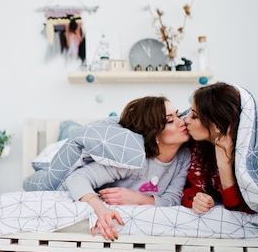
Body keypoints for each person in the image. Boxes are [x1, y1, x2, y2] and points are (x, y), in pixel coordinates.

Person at [61, 96, 191, 240]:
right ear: (154, 133)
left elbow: (173, 199)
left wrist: (137, 198)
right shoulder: (133, 158)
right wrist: (100, 208)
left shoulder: (184, 156)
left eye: (179, 115)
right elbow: (76, 178)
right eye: (170, 121)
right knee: (69, 131)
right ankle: (67, 127)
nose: (182, 122)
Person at [182, 82, 254, 214]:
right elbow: (189, 189)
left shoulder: (246, 152)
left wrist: (224, 167)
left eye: (195, 116)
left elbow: (240, 209)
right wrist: (197, 200)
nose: (186, 120)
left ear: (217, 126)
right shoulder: (197, 144)